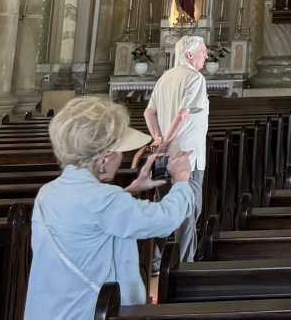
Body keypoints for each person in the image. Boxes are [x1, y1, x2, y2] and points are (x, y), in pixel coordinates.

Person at [24, 95, 193, 319]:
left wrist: (129, 191)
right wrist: (182, 180)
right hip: (90, 312)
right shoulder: (105, 201)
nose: (122, 157)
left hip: (49, 310)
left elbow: (88, 217)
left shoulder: (48, 192)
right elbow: (164, 220)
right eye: (120, 151)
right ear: (104, 159)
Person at [144, 35, 209, 263]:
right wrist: (165, 141)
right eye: (203, 51)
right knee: (189, 211)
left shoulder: (165, 77)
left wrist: (158, 138)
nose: (206, 55)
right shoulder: (195, 78)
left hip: (164, 157)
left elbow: (149, 113)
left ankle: (158, 261)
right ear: (189, 54)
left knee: (167, 208)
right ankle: (183, 269)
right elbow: (183, 114)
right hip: (187, 157)